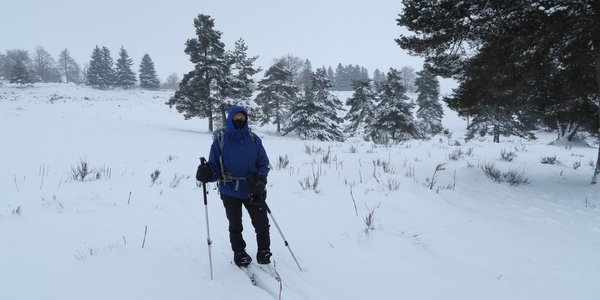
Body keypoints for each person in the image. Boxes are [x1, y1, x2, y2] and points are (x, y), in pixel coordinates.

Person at [196, 105, 272, 267]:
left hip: (253, 189)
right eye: (236, 118)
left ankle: (264, 252)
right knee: (235, 224)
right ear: (230, 119)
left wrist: (261, 180)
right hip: (230, 189)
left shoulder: (254, 139)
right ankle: (239, 253)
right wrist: (206, 173)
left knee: (262, 223)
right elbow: (215, 168)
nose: (239, 120)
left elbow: (263, 163)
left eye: (242, 118)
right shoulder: (221, 140)